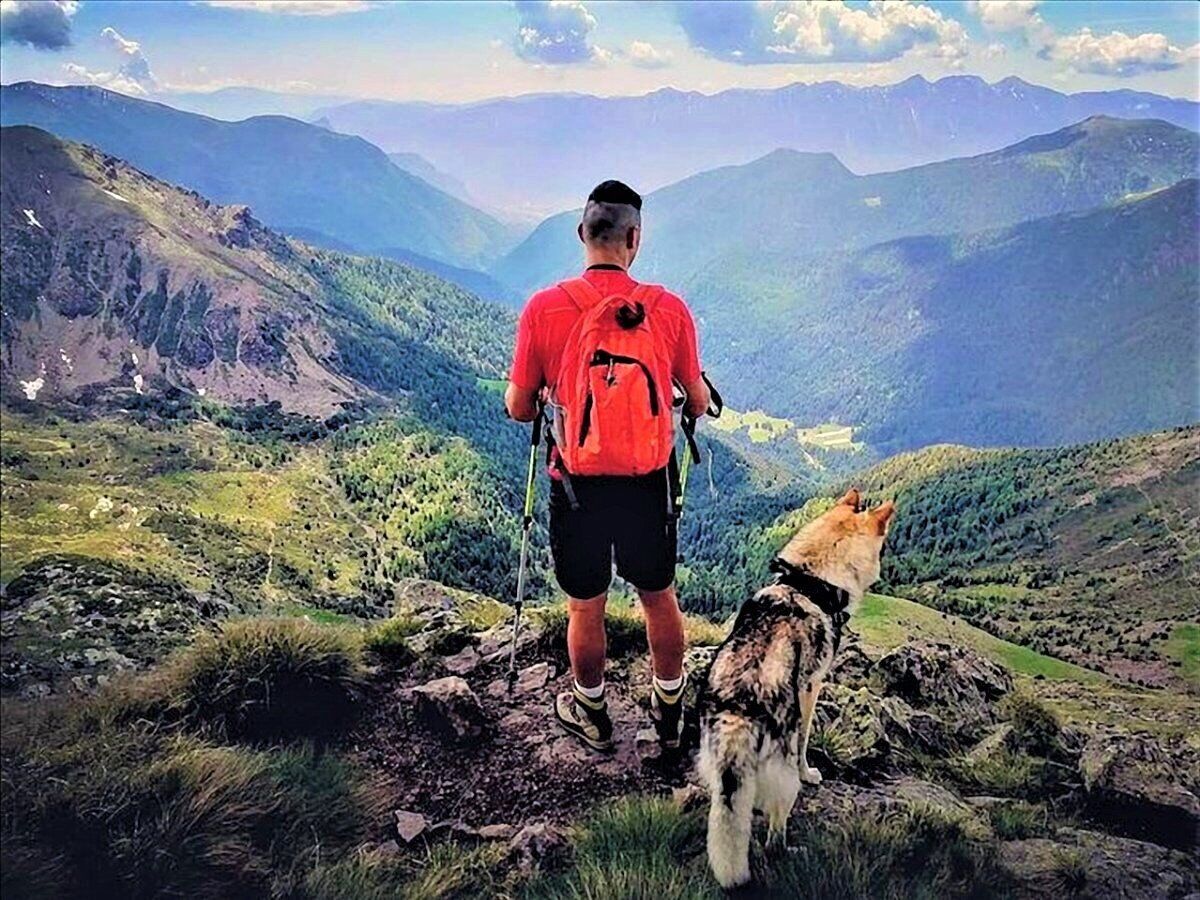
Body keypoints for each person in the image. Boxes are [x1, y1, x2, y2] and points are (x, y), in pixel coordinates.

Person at [505, 179, 711, 751]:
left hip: (576, 487)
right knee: (657, 595)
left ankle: (592, 714)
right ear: (634, 239)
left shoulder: (542, 309)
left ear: (582, 235)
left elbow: (520, 408)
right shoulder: (667, 310)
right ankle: (669, 707)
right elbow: (695, 401)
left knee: (585, 604)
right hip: (647, 483)